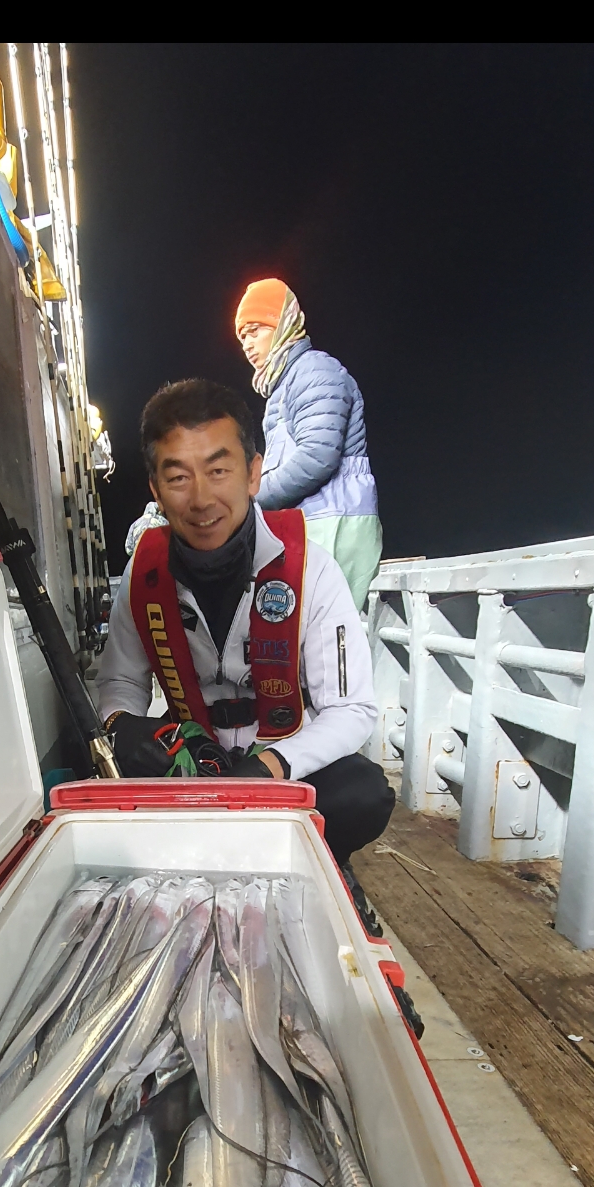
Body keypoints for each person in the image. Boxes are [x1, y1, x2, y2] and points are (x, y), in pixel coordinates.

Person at [98, 377, 395, 899]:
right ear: (156, 490)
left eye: (218, 470)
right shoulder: (141, 576)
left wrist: (270, 766)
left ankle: (325, 856)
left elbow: (351, 709)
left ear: (253, 472)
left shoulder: (312, 570)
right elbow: (120, 682)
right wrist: (122, 726)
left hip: (279, 758)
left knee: (363, 793)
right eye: (178, 477)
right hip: (190, 762)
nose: (201, 498)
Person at [235, 277, 382, 613]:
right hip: (310, 525)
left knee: (328, 635)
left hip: (337, 523)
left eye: (255, 330)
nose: (247, 344)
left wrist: (246, 499)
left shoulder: (314, 370)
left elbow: (317, 456)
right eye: (242, 337)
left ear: (282, 324)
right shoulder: (282, 385)